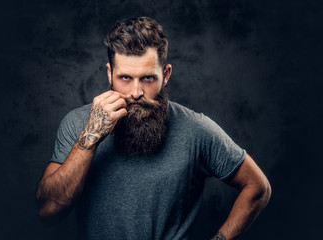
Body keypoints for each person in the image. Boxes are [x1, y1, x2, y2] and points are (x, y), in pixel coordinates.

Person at [36, 17, 271, 240]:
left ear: (165, 74)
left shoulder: (196, 129)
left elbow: (258, 187)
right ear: (110, 73)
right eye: (125, 78)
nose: (136, 92)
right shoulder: (78, 123)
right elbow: (49, 210)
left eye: (148, 78)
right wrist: (91, 137)